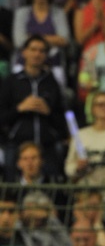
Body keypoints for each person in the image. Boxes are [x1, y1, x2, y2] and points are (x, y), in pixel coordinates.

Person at [0, 35, 68, 183]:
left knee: (52, 189)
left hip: (46, 146)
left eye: (42, 51)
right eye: (33, 50)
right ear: (24, 52)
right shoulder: (11, 82)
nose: (37, 54)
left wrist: (48, 112)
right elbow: (1, 117)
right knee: (12, 189)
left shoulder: (52, 83)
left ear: (46, 55)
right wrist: (19, 109)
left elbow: (63, 121)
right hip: (16, 145)